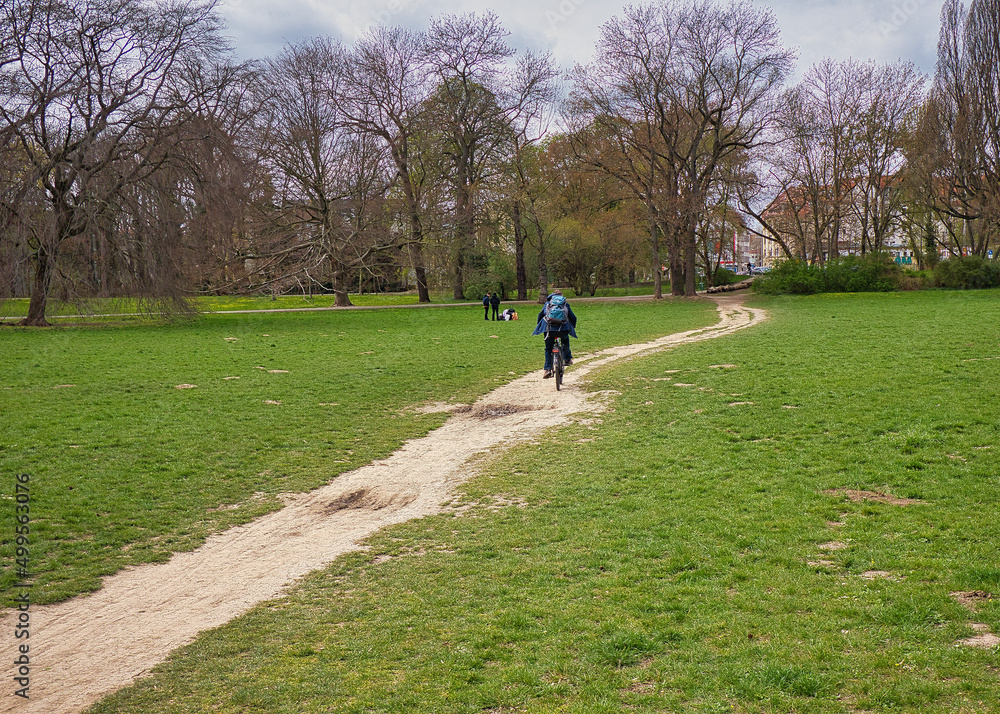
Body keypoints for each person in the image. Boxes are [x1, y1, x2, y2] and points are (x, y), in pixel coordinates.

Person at [532, 289, 577, 378]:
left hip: (548, 329)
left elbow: (540, 316)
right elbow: (573, 317)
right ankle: (567, 359)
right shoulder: (565, 304)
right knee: (565, 341)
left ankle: (547, 369)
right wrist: (572, 326)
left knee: (548, 349)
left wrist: (540, 325)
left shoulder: (547, 304)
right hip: (563, 328)